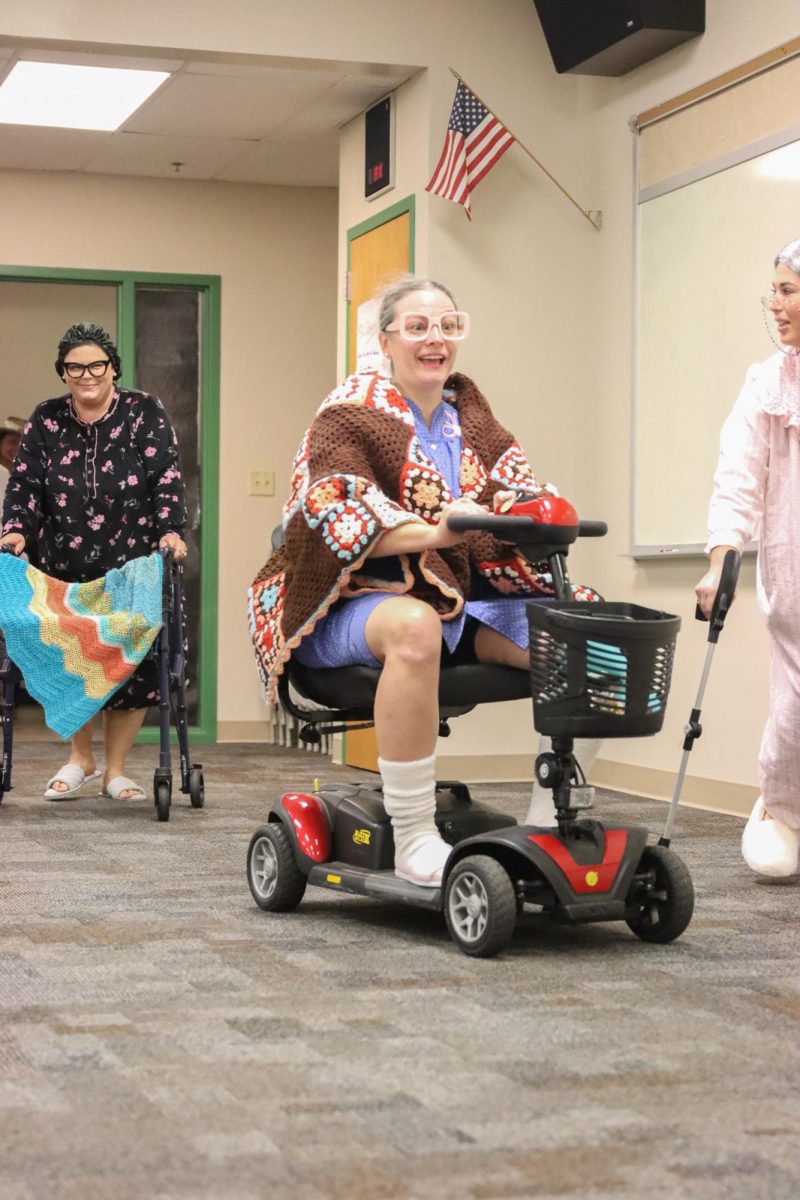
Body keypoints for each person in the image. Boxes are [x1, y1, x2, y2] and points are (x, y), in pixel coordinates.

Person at [249, 277, 600, 887]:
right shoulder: (348, 413)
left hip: (459, 598)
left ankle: (550, 820)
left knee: (587, 631)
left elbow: (515, 490)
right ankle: (413, 833)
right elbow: (335, 515)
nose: (434, 339)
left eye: (447, 326)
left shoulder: (476, 419)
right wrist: (437, 532)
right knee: (415, 625)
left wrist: (539, 513)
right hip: (353, 597)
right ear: (385, 340)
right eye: (416, 327)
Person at [0, 323, 187, 802]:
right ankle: (80, 758)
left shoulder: (144, 411)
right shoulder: (46, 418)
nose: (87, 375)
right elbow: (23, 483)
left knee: (134, 652)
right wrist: (16, 528)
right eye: (75, 367)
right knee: (71, 651)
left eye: (96, 365)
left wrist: (170, 529)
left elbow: (165, 474)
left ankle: (116, 771)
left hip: (132, 561)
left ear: (112, 368)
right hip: (62, 556)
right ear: (63, 373)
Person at [695, 239, 800, 879]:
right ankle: (781, 807)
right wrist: (720, 557)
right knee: (795, 705)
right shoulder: (768, 383)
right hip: (795, 568)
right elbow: (738, 477)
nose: (776, 304)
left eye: (787, 290)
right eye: (776, 290)